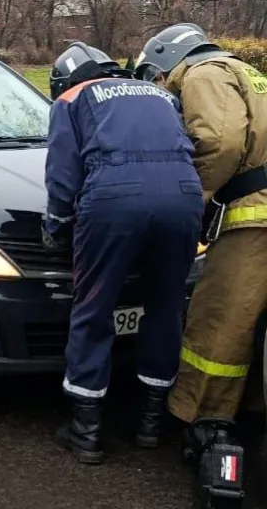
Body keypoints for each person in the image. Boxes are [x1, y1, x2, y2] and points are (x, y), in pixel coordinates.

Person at [44, 42, 204, 464]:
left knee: (93, 309)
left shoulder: (72, 99)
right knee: (166, 307)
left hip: (115, 199)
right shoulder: (161, 94)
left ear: (65, 79)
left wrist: (57, 229)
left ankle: (86, 433)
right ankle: (151, 424)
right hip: (184, 197)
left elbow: (63, 176)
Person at [134, 24, 267, 443]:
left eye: (157, 79)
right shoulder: (245, 71)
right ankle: (252, 407)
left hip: (253, 216)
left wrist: (198, 195)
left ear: (166, 61)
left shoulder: (203, 74)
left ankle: (200, 414)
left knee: (220, 319)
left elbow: (221, 142)